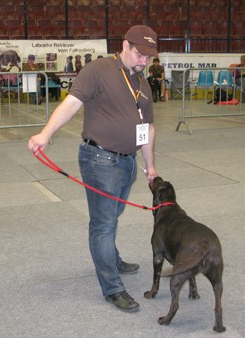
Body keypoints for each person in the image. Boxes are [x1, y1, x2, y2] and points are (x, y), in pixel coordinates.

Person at [28, 25, 159, 313]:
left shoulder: (142, 82)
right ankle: (112, 288)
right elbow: (71, 104)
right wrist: (45, 134)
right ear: (125, 45)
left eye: (148, 58)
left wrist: (150, 165)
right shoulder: (98, 70)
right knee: (103, 224)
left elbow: (146, 128)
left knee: (112, 216)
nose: (143, 62)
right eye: (139, 55)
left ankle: (110, 257)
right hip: (100, 160)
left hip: (128, 162)